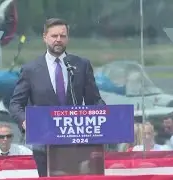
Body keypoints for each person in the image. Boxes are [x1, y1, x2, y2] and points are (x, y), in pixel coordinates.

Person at [9, 18, 105, 177]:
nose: (58, 40)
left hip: (77, 146)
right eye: (54, 36)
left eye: (63, 36)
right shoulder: (30, 69)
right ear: (44, 37)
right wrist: (25, 121)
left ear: (68, 38)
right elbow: (15, 104)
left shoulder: (81, 65)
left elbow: (94, 100)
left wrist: (105, 115)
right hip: (44, 145)